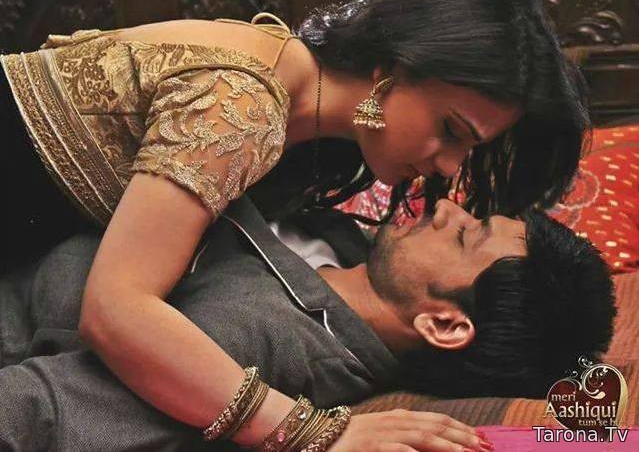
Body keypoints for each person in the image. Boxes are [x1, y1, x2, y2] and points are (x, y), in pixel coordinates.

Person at [0, 0, 590, 451]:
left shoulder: (302, 125)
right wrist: (316, 434)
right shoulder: (244, 104)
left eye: (469, 148)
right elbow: (115, 309)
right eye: (451, 130)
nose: (450, 169)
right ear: (393, 68)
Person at [0, 197, 615, 451]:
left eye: (463, 235)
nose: (445, 206)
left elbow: (33, 410)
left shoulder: (254, 340)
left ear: (445, 325)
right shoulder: (345, 237)